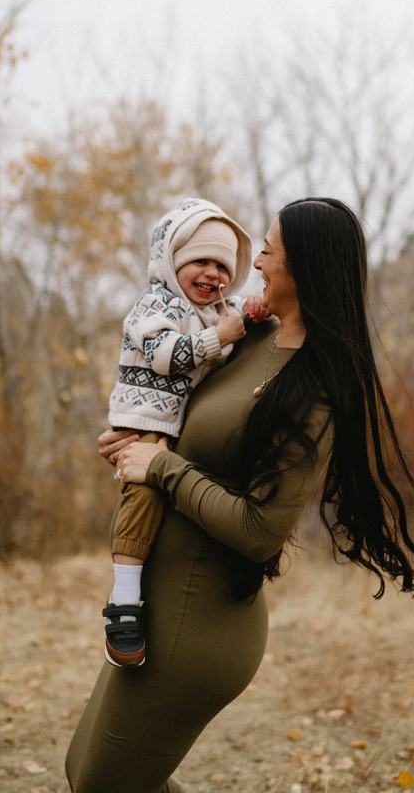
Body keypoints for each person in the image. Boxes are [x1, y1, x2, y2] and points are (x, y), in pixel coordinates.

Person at [65, 196, 414, 793]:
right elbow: (179, 407)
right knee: (87, 773)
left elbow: (260, 530)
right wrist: (135, 440)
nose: (253, 262)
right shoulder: (251, 338)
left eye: (267, 249)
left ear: (303, 266)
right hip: (150, 605)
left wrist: (161, 468)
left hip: (200, 623)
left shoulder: (313, 388)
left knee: (102, 785)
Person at [103, 197, 256, 667]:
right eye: (200, 261)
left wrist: (248, 320)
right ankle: (124, 601)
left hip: (177, 426)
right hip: (143, 424)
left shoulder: (215, 311)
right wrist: (223, 337)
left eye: (222, 266)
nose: (213, 274)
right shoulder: (155, 304)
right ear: (172, 261)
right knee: (144, 499)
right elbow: (167, 355)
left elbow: (228, 355)